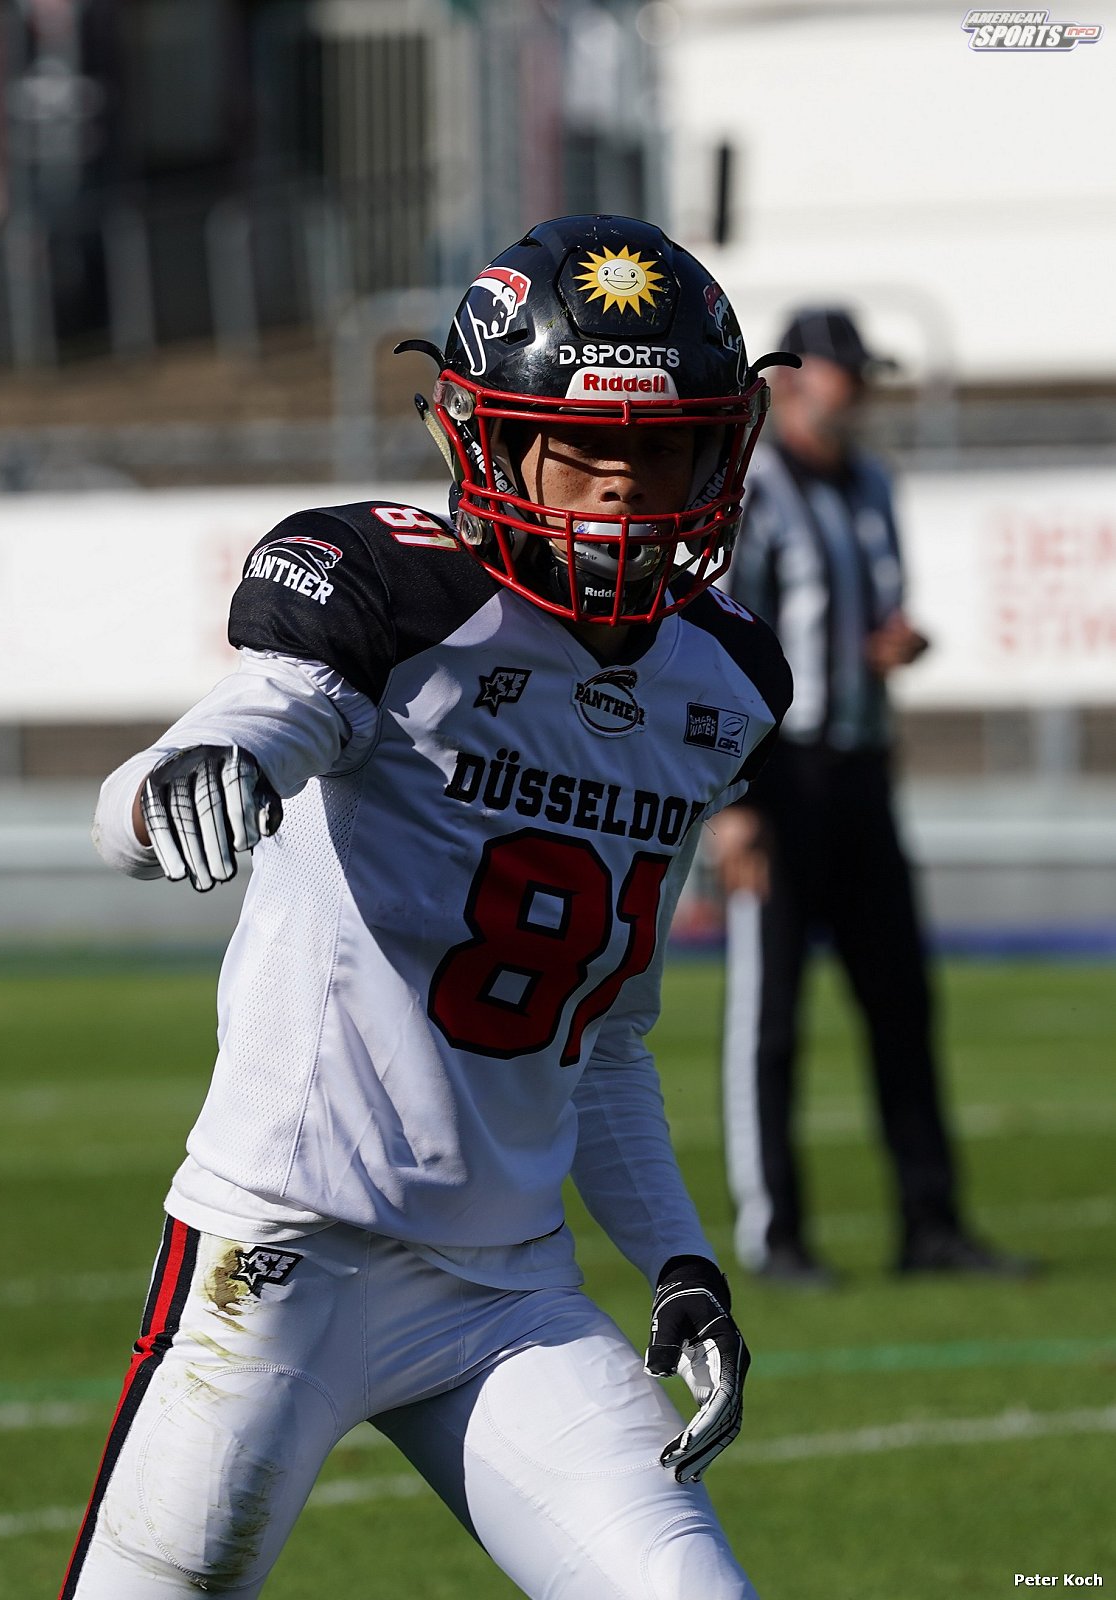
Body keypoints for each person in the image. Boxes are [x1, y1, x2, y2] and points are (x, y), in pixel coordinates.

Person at [63, 215, 794, 1600]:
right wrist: (183, 781)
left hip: (509, 1293)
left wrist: (679, 1257)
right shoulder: (397, 598)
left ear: (723, 450)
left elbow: (604, 1038)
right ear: (487, 440)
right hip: (281, 1255)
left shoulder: (722, 681)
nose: (626, 489)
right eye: (580, 447)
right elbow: (239, 731)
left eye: (664, 449)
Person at [712, 306, 1031, 1287]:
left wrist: (895, 644)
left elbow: (872, 612)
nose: (854, 390)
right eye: (841, 370)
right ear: (792, 379)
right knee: (770, 1017)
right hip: (782, 774)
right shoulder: (754, 492)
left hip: (861, 768)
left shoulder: (873, 482)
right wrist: (733, 800)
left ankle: (930, 1223)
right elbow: (725, 639)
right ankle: (776, 1233)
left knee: (901, 1002)